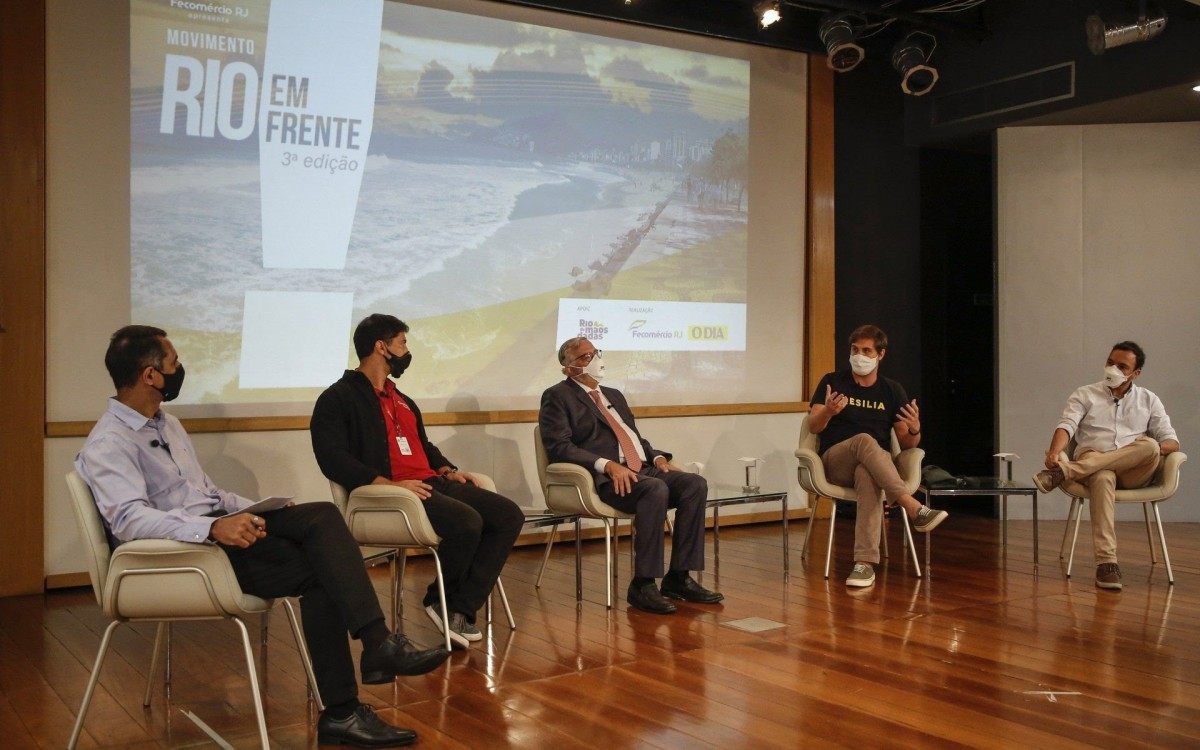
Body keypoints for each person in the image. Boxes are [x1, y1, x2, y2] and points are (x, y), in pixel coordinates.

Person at [76, 326, 445, 748]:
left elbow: (206, 493)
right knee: (322, 570)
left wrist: (253, 507)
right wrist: (213, 527)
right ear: (150, 376)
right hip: (186, 556)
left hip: (218, 534)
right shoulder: (108, 442)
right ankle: (357, 684)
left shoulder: (168, 424)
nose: (180, 369)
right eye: (174, 362)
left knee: (320, 517)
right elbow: (128, 521)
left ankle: (368, 665)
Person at [311, 314, 524, 648]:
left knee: (509, 515)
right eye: (402, 342)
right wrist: (387, 483)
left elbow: (423, 446)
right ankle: (439, 600)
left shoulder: (402, 399)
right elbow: (331, 457)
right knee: (467, 522)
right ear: (381, 347)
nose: (407, 350)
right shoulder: (338, 398)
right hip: (390, 496)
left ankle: (458, 606)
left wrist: (446, 469)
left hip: (429, 484)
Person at [538, 336, 722, 614]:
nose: (595, 360)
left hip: (641, 469)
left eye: (595, 353)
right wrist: (606, 465)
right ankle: (643, 584)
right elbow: (559, 446)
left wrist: (658, 457)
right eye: (585, 357)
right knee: (654, 489)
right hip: (605, 480)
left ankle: (678, 578)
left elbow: (632, 438)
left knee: (693, 484)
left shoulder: (614, 394)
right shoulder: (557, 396)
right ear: (568, 368)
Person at [808, 324, 948, 588]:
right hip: (835, 462)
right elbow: (814, 427)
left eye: (866, 350)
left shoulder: (892, 391)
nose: (858, 355)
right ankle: (912, 506)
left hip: (874, 466)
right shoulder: (833, 382)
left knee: (867, 473)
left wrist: (916, 428)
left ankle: (864, 564)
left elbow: (908, 444)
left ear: (880, 355)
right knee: (864, 440)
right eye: (854, 350)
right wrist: (827, 411)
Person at [1032, 341, 1179, 591]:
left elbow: (1171, 442)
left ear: (1136, 373)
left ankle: (1064, 473)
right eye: (1110, 362)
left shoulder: (1148, 399)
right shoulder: (1085, 393)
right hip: (1094, 461)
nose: (1113, 369)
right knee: (1102, 474)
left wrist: (1134, 452)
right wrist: (1056, 451)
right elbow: (1067, 425)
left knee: (1150, 446)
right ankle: (1106, 563)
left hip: (1134, 470)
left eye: (1122, 366)